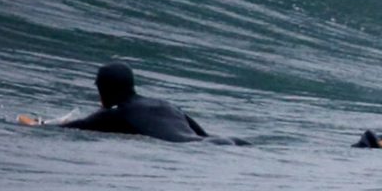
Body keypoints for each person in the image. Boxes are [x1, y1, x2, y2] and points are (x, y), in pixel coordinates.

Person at [25, 61, 241, 142]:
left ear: (104, 89)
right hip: (224, 141)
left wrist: (33, 124)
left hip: (196, 147)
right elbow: (202, 135)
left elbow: (70, 128)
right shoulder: (164, 104)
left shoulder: (116, 114)